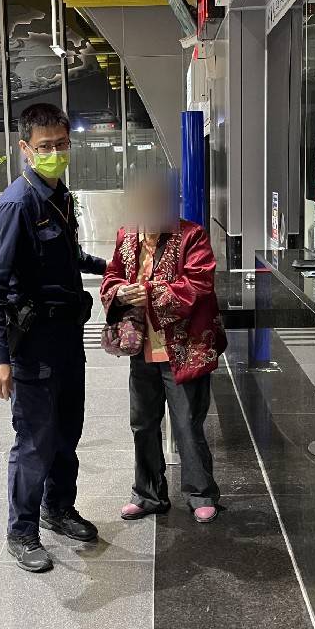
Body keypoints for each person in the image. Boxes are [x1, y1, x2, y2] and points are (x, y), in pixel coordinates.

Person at [0, 103, 107, 574]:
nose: (55, 153)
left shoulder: (59, 196)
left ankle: (58, 508)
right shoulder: (17, 204)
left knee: (68, 433)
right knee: (35, 441)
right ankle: (21, 531)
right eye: (45, 146)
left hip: (67, 339)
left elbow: (71, 256)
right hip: (32, 345)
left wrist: (112, 266)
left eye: (62, 144)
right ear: (25, 149)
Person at [100, 170, 226, 523]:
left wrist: (150, 293)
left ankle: (201, 492)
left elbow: (199, 284)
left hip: (183, 350)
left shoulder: (192, 236)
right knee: (143, 423)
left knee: (187, 423)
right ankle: (148, 493)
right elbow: (111, 276)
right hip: (141, 348)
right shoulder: (127, 236)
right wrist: (120, 291)